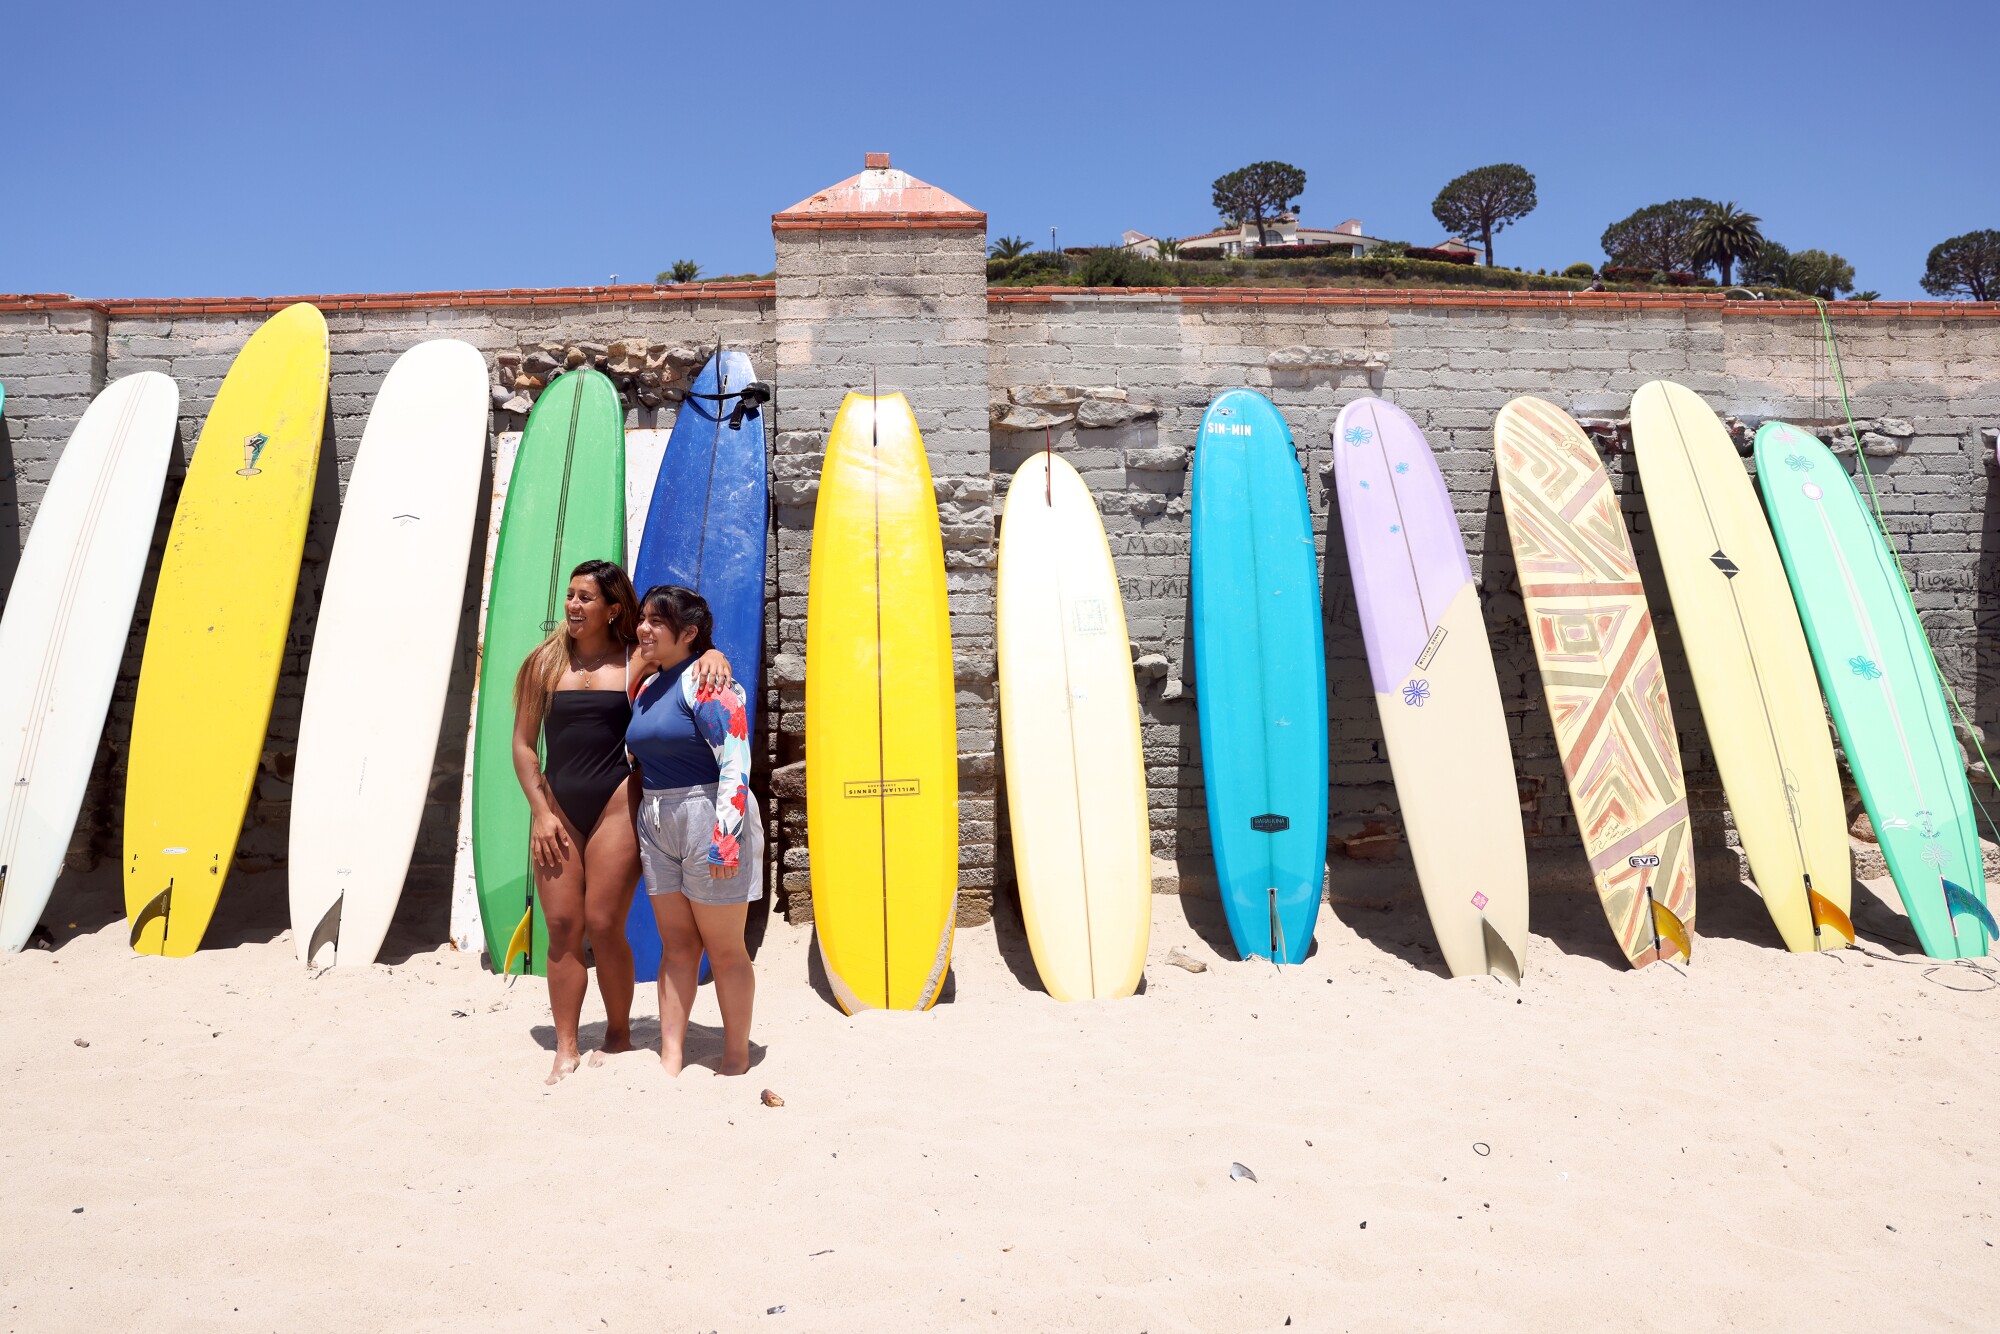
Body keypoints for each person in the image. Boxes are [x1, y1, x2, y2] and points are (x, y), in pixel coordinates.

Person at [511, 560, 730, 1085]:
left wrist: (715, 652)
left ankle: (617, 1033)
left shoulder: (637, 658)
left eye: (586, 598)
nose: (573, 606)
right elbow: (523, 746)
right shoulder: (543, 664)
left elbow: (688, 652)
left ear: (613, 609)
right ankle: (565, 1046)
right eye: (570, 596)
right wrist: (540, 813)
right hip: (557, 806)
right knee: (563, 925)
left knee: (604, 921)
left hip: (616, 800)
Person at [626, 584, 764, 1076]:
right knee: (678, 945)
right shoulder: (646, 683)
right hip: (659, 819)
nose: (643, 628)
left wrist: (726, 835)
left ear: (687, 634)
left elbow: (735, 758)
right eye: (642, 618)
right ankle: (671, 1056)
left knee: (726, 949)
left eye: (656, 622)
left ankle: (736, 1054)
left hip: (710, 814)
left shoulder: (708, 682)